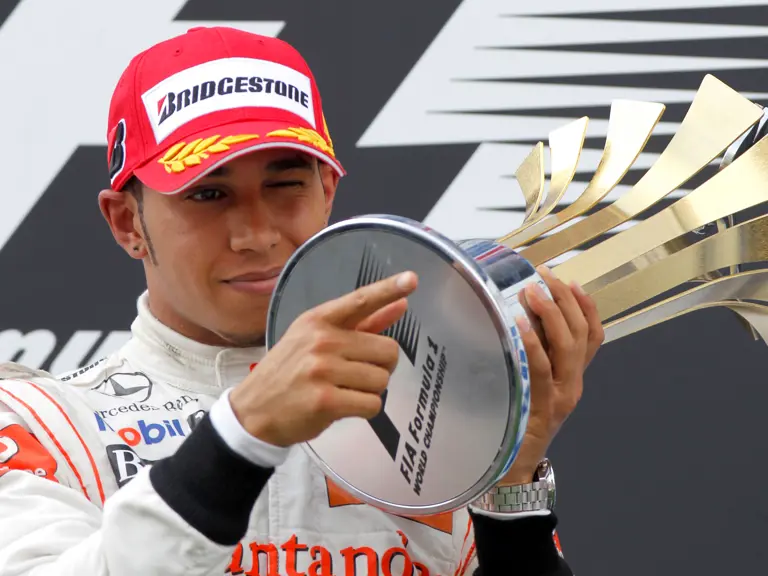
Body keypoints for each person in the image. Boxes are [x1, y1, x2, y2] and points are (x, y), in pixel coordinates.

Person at [0, 27, 603, 576]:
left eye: (285, 185)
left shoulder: (440, 421)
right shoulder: (42, 423)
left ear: (327, 191)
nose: (256, 234)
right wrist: (243, 432)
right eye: (209, 194)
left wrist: (511, 484)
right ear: (127, 221)